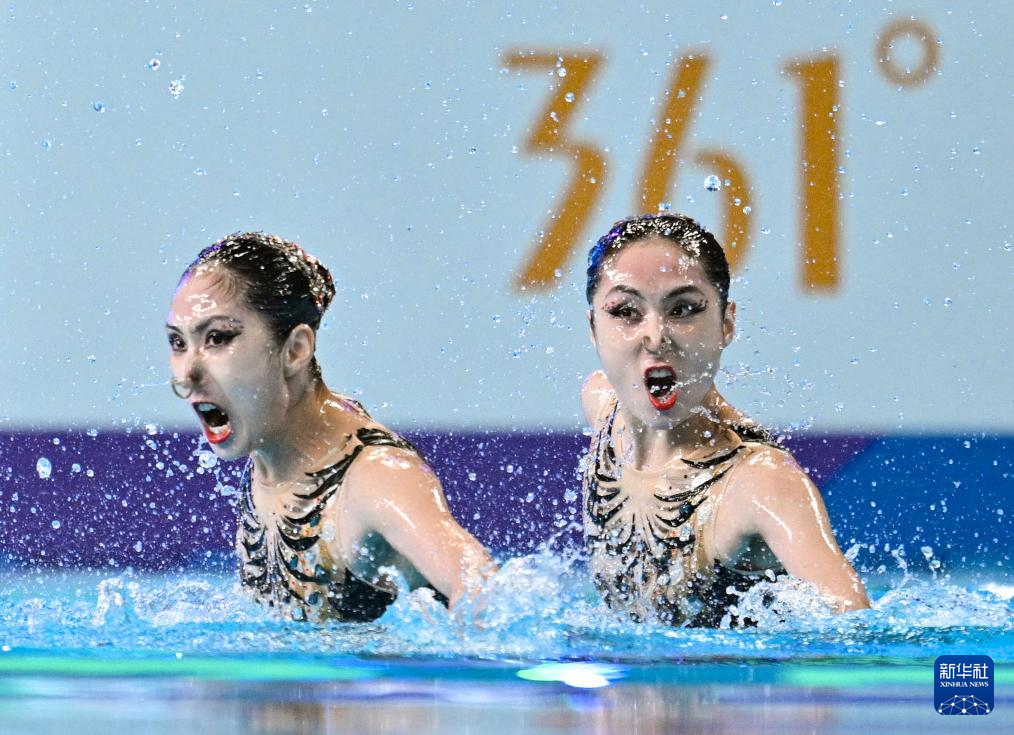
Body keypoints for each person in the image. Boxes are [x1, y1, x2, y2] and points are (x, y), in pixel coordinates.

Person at [165, 232, 493, 622]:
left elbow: (481, 586)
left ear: (295, 350)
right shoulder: (270, 453)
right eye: (178, 342)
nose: (186, 375)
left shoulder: (375, 477)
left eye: (217, 338)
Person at [580, 213, 869, 626]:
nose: (655, 336)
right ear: (593, 327)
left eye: (683, 309)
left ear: (726, 324)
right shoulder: (601, 405)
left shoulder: (760, 482)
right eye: (626, 311)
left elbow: (853, 627)